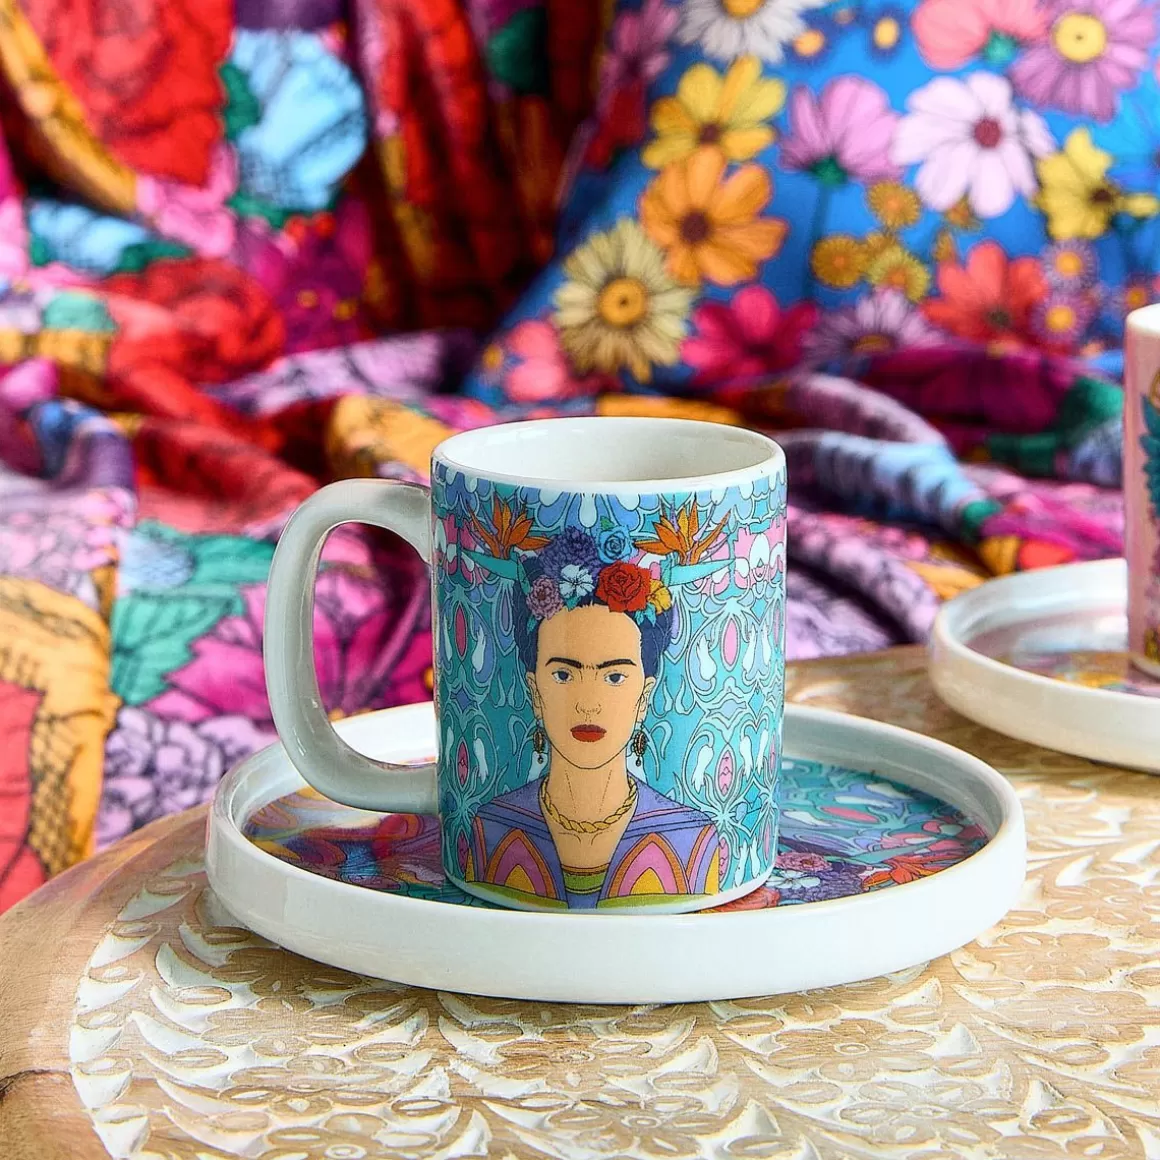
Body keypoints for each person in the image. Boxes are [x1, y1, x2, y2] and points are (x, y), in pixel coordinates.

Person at [462, 528, 722, 910]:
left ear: (644, 696)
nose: (588, 704)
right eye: (563, 675)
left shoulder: (691, 837)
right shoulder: (492, 827)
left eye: (614, 677)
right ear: (534, 691)